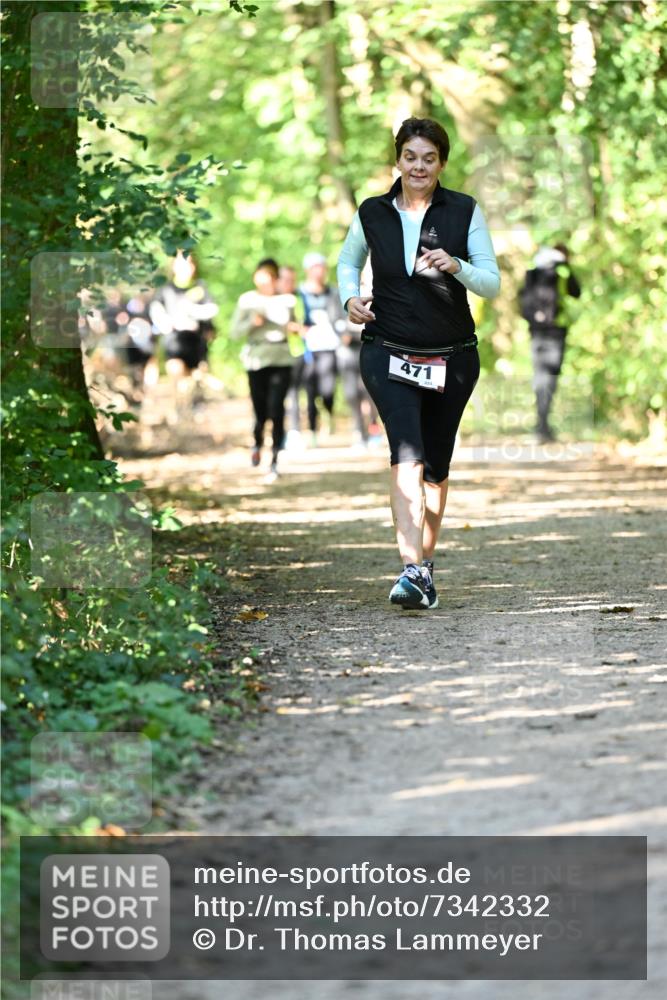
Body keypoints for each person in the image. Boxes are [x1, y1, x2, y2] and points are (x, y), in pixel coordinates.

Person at [337, 116, 500, 610]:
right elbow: (348, 262)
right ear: (398, 160)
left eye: (429, 158)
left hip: (453, 358)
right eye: (411, 156)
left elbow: (492, 283)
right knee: (406, 452)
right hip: (387, 351)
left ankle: (422, 569)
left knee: (436, 465)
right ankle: (411, 568)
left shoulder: (464, 211)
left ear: (441, 163)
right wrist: (350, 299)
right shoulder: (372, 212)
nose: (419, 166)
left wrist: (458, 266)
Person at [230, 258, 296, 482]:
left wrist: (294, 328)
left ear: (276, 278)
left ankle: (275, 457)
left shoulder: (288, 300)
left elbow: (298, 327)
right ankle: (257, 442)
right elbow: (235, 332)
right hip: (256, 360)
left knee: (277, 408)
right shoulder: (247, 301)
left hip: (281, 359)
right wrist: (252, 322)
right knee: (260, 411)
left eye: (270, 276)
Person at [519, 244, 581, 443]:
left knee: (540, 377)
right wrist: (568, 267)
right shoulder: (562, 269)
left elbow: (522, 300)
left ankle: (541, 425)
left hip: (536, 331)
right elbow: (576, 292)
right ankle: (543, 426)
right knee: (550, 378)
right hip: (555, 331)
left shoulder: (533, 269)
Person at [149, 250, 218, 418]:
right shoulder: (166, 289)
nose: (187, 266)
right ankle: (177, 409)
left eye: (190, 262)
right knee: (175, 371)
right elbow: (156, 311)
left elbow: (211, 311)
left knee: (195, 379)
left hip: (197, 342)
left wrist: (205, 324)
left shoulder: (200, 287)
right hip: (174, 341)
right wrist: (167, 324)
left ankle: (193, 407)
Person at [299, 252, 347, 445]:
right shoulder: (299, 293)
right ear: (308, 270)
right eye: (315, 267)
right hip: (307, 348)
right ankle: (311, 430)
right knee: (310, 390)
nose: (320, 271)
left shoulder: (333, 292)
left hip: (329, 345)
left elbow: (343, 315)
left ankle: (328, 413)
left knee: (327, 389)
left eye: (322, 267)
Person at [277, 264, 307, 448]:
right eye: (285, 279)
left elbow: (302, 324)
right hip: (274, 354)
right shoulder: (270, 298)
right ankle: (278, 432)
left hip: (296, 352)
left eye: (292, 280)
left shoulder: (298, 299)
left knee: (293, 393)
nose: (289, 283)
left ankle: (294, 432)